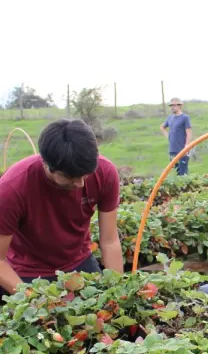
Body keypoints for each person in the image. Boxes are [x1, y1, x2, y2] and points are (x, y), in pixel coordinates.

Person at [0, 118, 124, 298]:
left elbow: (110, 241)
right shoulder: (12, 189)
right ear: (46, 164)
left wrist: (118, 292)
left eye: (85, 175)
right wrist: (34, 300)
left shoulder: (104, 173)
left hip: (79, 260)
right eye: (70, 177)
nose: (80, 184)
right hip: (29, 272)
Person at [160, 97, 192, 175]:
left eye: (174, 105)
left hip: (182, 150)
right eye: (171, 106)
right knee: (176, 172)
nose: (172, 107)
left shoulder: (185, 118)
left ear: (179, 106)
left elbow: (189, 132)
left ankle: (185, 187)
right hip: (172, 150)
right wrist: (169, 137)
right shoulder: (170, 118)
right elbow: (162, 127)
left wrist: (187, 146)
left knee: (183, 173)